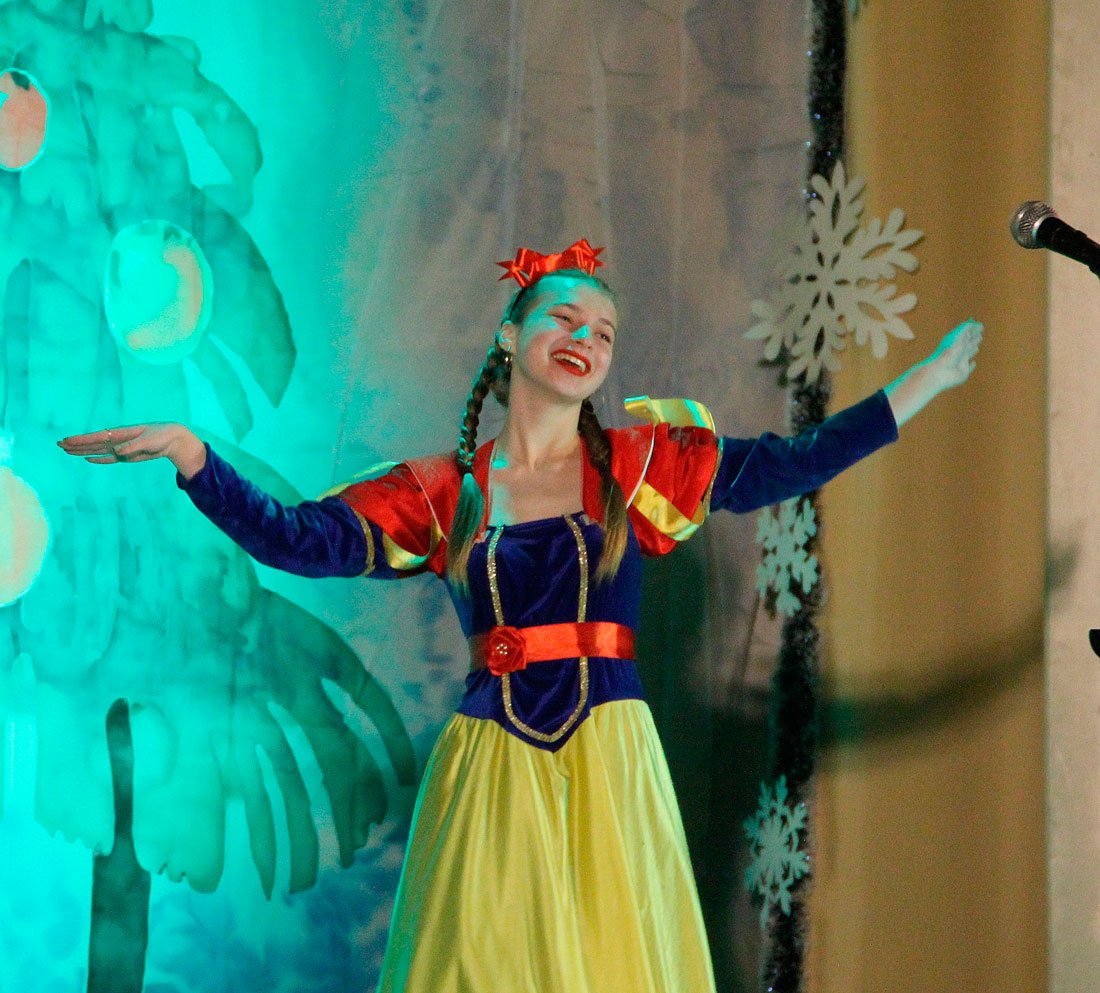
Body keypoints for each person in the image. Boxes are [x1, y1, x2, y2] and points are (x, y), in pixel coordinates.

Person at [58, 239, 982, 993]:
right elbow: (298, 539)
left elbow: (792, 460)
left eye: (604, 332)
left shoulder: (641, 466)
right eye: (564, 318)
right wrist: (193, 456)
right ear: (511, 335)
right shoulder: (443, 491)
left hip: (609, 764)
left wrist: (921, 385)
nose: (587, 339)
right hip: (492, 764)